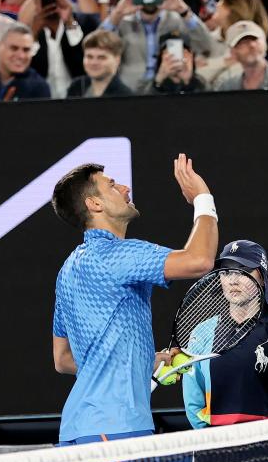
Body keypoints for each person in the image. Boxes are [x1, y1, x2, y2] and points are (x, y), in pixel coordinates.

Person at [50, 155, 218, 445]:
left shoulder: (67, 270)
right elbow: (199, 260)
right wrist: (203, 198)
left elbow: (63, 359)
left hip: (78, 432)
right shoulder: (118, 254)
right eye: (112, 185)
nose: (126, 188)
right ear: (95, 204)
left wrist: (139, 361)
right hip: (115, 432)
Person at [183, 239, 268, 429]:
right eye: (226, 272)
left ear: (262, 278)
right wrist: (209, 438)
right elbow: (193, 401)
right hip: (216, 450)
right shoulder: (202, 333)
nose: (233, 280)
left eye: (244, 270)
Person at [102, 0, 197, 92]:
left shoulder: (177, 20)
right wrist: (117, 14)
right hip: (130, 94)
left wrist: (183, 10)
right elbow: (95, 47)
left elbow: (209, 47)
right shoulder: (121, 22)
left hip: (169, 92)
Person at [26, 0, 99, 98]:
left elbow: (85, 68)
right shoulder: (27, 32)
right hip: (41, 104)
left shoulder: (87, 24)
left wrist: (70, 23)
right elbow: (28, 73)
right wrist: (33, 36)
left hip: (79, 100)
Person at [215, 20, 268, 91]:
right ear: (233, 52)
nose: (252, 45)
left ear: (265, 44)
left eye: (255, 39)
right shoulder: (227, 87)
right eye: (243, 42)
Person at [66, 29, 134, 97]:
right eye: (89, 57)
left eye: (101, 57)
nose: (94, 62)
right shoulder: (76, 87)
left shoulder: (125, 96)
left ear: (117, 60)